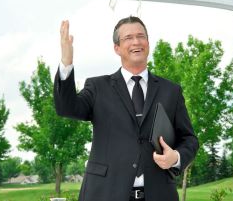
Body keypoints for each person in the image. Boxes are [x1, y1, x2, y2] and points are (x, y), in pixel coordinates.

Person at [54, 16, 199, 201]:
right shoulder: (98, 87)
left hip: (159, 194)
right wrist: (66, 62)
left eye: (141, 36)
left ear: (148, 42)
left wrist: (176, 158)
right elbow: (66, 108)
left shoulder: (171, 91)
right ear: (117, 48)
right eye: (128, 38)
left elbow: (189, 139)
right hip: (105, 194)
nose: (136, 41)